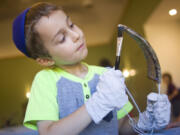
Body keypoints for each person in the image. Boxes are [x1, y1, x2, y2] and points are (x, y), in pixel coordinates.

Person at [12, 2, 170, 135]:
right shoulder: (45, 80)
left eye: (71, 24)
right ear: (46, 60)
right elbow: (48, 132)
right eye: (62, 38)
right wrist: (98, 103)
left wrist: (147, 121)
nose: (76, 35)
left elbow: (121, 127)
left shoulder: (106, 75)